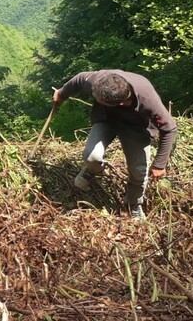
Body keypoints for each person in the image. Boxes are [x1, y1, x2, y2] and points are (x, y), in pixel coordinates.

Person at [53, 69, 178, 219]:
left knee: (139, 171)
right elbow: (79, 79)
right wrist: (61, 94)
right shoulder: (98, 82)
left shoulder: (147, 99)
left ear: (120, 103)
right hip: (107, 119)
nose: (95, 98)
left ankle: (133, 204)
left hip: (136, 126)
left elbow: (169, 129)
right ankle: (92, 170)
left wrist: (159, 164)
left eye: (99, 100)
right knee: (91, 156)